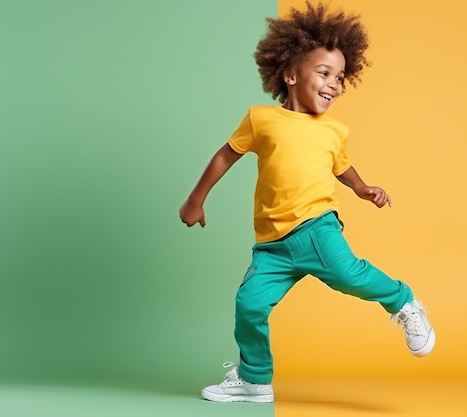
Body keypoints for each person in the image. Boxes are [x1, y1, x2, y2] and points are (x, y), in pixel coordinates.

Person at [179, 1, 435, 403]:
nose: (334, 84)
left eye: (340, 78)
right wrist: (196, 200)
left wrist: (363, 188)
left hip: (316, 228)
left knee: (350, 276)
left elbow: (342, 168)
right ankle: (254, 379)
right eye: (324, 73)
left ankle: (404, 301)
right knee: (249, 304)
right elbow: (226, 154)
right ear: (290, 73)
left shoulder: (335, 130)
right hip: (272, 244)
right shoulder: (260, 119)